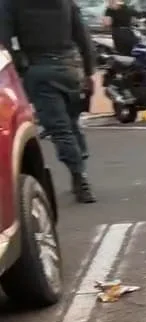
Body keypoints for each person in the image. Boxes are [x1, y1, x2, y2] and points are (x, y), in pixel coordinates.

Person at [1, 0, 97, 202]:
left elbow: (4, 39)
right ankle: (81, 165)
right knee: (71, 122)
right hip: (69, 68)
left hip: (38, 69)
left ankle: (79, 175)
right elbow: (83, 36)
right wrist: (89, 72)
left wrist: (19, 66)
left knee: (59, 128)